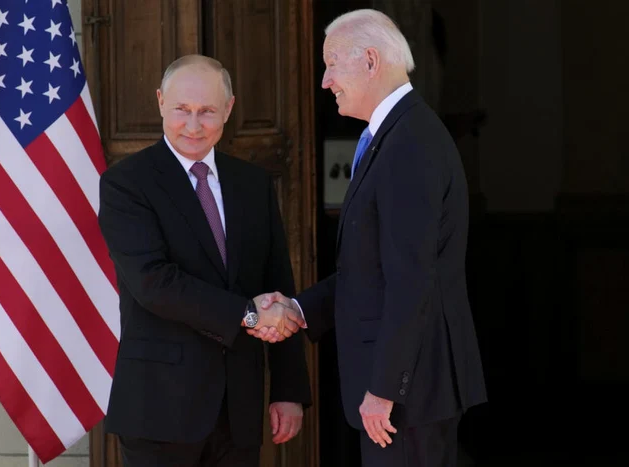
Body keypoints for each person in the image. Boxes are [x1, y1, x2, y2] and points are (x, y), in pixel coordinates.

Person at [252, 9, 487, 467]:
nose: (325, 81)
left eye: (332, 63)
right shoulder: (394, 135)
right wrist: (298, 310)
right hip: (406, 395)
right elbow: (372, 271)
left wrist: (383, 389)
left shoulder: (409, 143)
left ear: (371, 61)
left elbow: (412, 278)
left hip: (409, 397)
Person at [98, 54, 311, 467]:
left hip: (239, 411)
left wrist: (289, 389)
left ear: (228, 110)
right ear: (161, 102)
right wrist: (247, 315)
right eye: (182, 110)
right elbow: (154, 283)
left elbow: (278, 282)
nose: (193, 125)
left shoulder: (252, 183)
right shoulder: (126, 183)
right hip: (159, 411)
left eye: (207, 112)